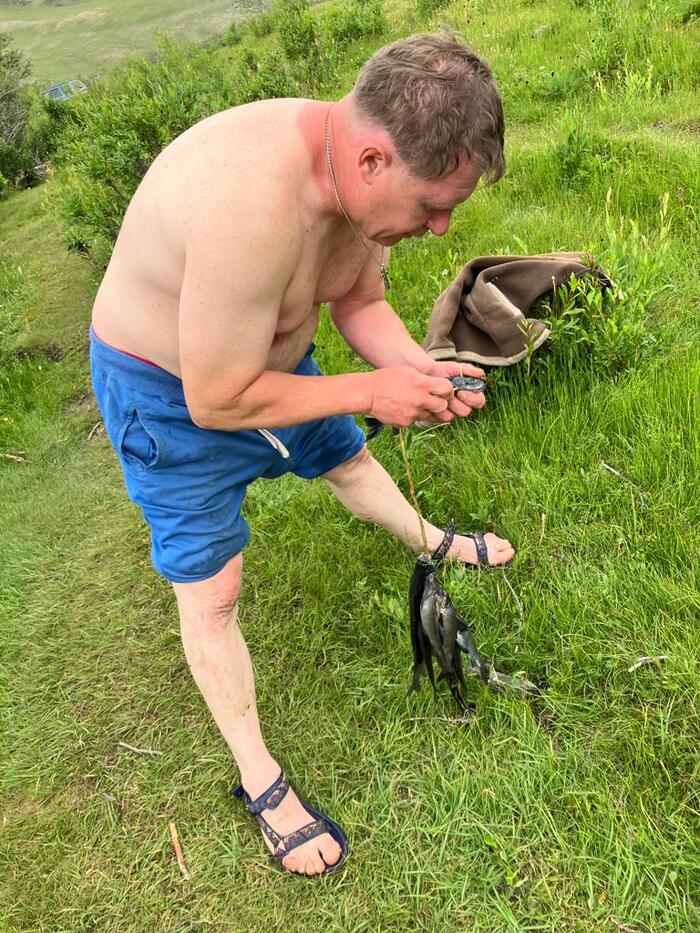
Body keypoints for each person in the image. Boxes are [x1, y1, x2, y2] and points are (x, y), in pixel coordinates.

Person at [90, 31, 513, 877]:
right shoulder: (247, 204)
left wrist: (414, 370)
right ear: (372, 159)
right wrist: (371, 390)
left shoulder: (359, 188)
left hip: (267, 366)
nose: (441, 227)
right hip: (168, 395)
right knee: (213, 589)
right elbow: (217, 397)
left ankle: (431, 539)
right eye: (434, 205)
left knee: (348, 459)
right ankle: (261, 779)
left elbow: (357, 297)